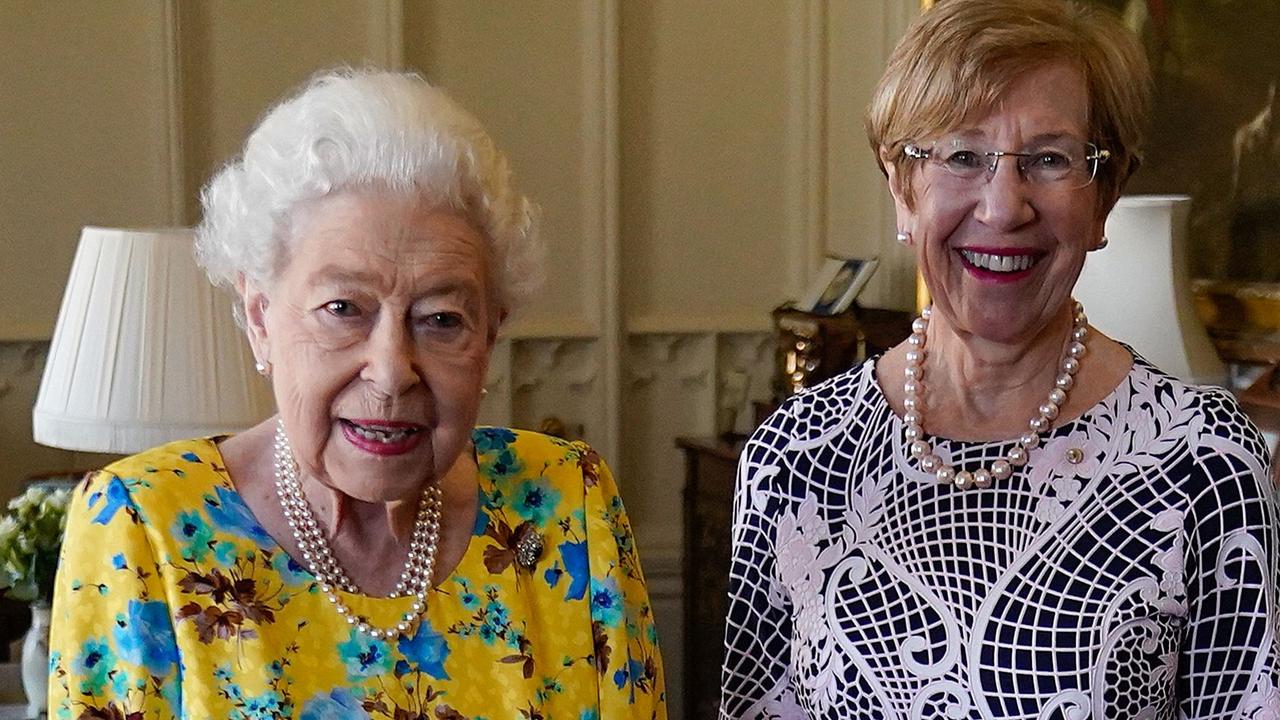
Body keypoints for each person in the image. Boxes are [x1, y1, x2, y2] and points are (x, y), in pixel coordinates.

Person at [49, 69, 666, 719]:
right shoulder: (144, 527)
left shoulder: (568, 505)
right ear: (260, 317)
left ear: (492, 333)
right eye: (343, 308)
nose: (391, 370)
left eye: (441, 320)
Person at [720, 1, 1279, 717]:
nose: (1003, 206)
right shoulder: (795, 456)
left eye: (1049, 159)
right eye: (961, 155)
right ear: (903, 188)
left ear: (1104, 194)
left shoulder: (1205, 459)